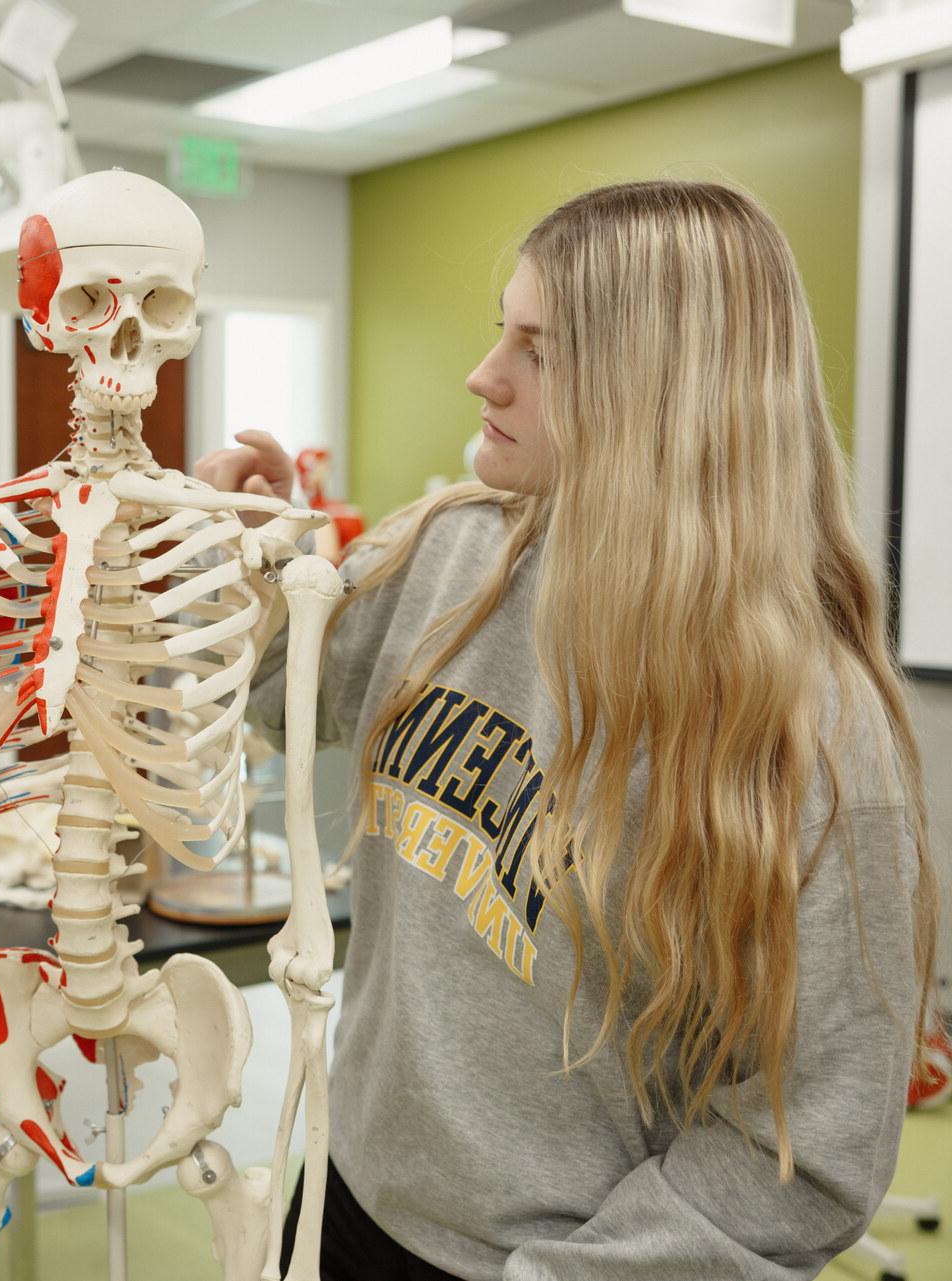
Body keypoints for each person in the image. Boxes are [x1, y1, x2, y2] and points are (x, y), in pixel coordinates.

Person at [197, 180, 938, 1280]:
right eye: (503, 328)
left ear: (663, 391)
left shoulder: (815, 739)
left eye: (538, 351)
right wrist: (240, 565)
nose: (483, 373)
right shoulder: (452, 547)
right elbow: (281, 697)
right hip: (348, 1191)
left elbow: (803, 1158)